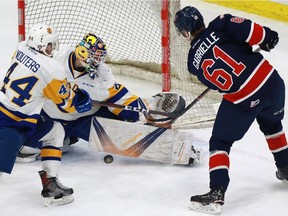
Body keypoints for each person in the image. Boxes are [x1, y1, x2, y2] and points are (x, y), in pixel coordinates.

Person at [173, 6, 288, 214]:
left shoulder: (192, 62)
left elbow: (222, 84)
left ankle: (217, 191)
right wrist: (268, 38)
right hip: (273, 84)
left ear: (185, 32)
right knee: (272, 124)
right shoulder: (221, 23)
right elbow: (254, 32)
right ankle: (286, 167)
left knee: (220, 142)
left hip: (246, 98)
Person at [17, 33, 191, 164]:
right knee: (25, 151)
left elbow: (119, 97)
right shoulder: (57, 58)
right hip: (47, 116)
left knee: (122, 135)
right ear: (82, 53)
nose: (98, 62)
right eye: (94, 57)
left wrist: (147, 113)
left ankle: (159, 116)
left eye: (99, 58)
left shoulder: (101, 75)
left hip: (83, 119)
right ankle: (65, 138)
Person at [0, 24, 92, 206]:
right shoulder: (52, 69)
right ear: (41, 45)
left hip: (5, 108)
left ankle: (51, 183)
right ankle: (50, 184)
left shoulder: (21, 47)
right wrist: (79, 98)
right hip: (15, 121)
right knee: (55, 133)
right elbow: (65, 103)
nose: (52, 49)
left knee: (55, 130)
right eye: (50, 45)